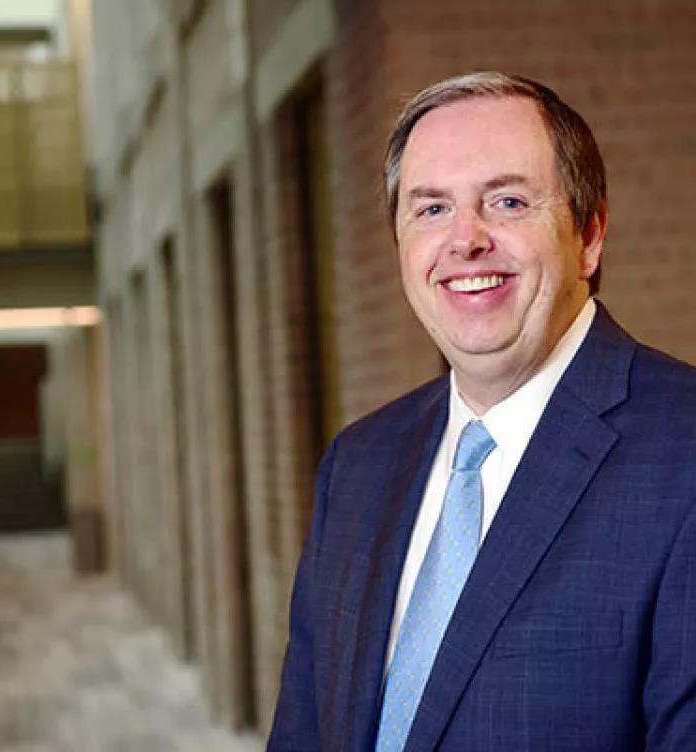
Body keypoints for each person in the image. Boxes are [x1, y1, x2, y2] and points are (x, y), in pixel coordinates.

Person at [267, 71, 696, 751]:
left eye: (508, 201)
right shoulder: (357, 464)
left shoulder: (683, 455)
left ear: (588, 235)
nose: (465, 240)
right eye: (431, 209)